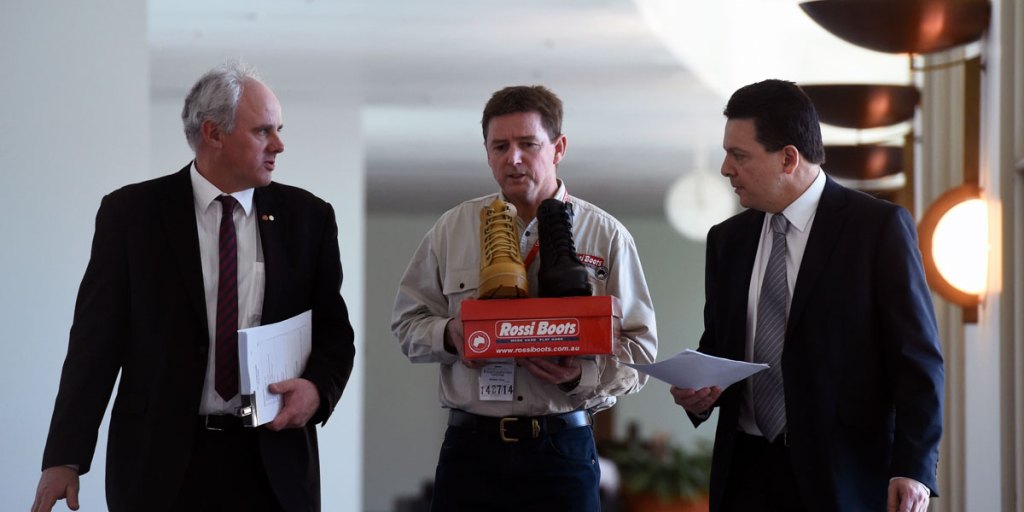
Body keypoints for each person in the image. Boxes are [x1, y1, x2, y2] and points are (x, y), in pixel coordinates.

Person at [31, 61, 356, 512]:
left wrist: (317, 390)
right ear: (213, 133)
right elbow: (95, 344)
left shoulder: (308, 218)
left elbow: (335, 335)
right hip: (159, 467)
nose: (279, 145)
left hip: (272, 465)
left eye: (278, 130)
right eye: (263, 131)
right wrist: (64, 457)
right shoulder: (133, 215)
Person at [669, 79, 944, 512]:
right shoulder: (727, 240)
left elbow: (917, 360)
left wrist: (914, 467)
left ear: (788, 158)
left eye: (739, 155)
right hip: (745, 474)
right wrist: (700, 391)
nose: (725, 169)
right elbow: (720, 346)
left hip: (843, 475)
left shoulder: (876, 229)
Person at [392, 85, 658, 512]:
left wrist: (580, 376)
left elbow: (640, 352)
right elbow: (407, 324)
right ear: (487, 153)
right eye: (500, 146)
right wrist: (451, 335)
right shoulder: (451, 229)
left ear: (558, 148)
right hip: (471, 451)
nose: (513, 158)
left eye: (528, 144)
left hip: (562, 449)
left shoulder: (606, 235)